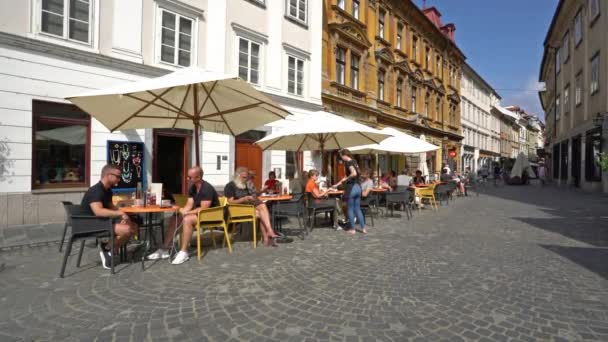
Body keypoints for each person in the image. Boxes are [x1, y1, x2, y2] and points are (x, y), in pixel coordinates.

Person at [148, 166, 219, 264]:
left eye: (190, 177)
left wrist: (187, 213)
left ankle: (184, 252)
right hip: (200, 213)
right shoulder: (193, 188)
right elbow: (189, 205)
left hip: (212, 215)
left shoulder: (207, 188)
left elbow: (203, 209)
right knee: (175, 218)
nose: (187, 179)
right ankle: (165, 248)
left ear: (198, 177)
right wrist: (181, 212)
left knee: (187, 220)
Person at [81, 164, 138, 269]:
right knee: (128, 229)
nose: (119, 179)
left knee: (133, 226)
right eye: (117, 176)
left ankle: (107, 247)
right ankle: (107, 249)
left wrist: (123, 215)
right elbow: (98, 211)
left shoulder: (107, 190)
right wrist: (120, 214)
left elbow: (112, 208)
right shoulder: (96, 190)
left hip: (100, 222)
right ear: (108, 175)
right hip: (89, 225)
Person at [225, 167, 281, 247]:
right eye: (244, 177)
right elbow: (230, 202)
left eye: (246, 177)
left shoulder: (247, 184)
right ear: (237, 176)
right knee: (264, 214)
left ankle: (268, 233)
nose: (245, 179)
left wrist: (261, 191)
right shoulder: (230, 186)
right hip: (237, 209)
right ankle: (267, 235)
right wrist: (244, 199)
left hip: (249, 207)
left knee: (262, 206)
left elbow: (254, 195)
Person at [332, 149, 366, 234]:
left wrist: (347, 179)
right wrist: (336, 184)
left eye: (341, 156)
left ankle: (353, 229)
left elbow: (353, 173)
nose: (341, 158)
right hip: (358, 187)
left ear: (344, 155)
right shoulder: (354, 161)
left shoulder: (348, 163)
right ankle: (363, 228)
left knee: (350, 209)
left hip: (352, 188)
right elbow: (354, 174)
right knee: (358, 209)